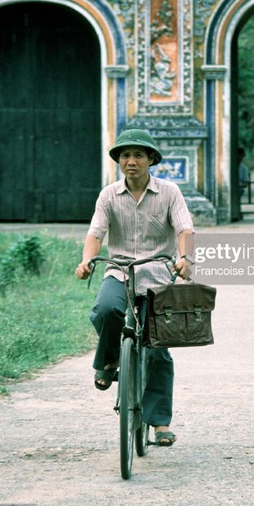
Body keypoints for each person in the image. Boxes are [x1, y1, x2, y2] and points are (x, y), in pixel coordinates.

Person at [75, 128, 194, 447]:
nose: (131, 161)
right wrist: (87, 261)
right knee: (105, 310)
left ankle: (158, 423)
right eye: (125, 155)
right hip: (120, 272)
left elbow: (184, 229)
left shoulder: (169, 192)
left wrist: (185, 259)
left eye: (138, 155)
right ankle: (110, 360)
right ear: (118, 161)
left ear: (151, 160)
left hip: (157, 274)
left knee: (157, 350)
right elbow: (95, 234)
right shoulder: (108, 195)